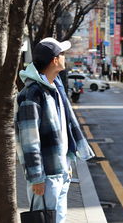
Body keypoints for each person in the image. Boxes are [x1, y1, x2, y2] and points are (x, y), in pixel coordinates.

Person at [15, 37, 94, 223]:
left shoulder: (55, 88)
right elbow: (29, 141)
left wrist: (67, 162)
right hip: (45, 177)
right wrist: (36, 178)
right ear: (54, 60)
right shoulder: (31, 94)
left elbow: (62, 130)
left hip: (60, 172)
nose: (65, 57)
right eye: (62, 54)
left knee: (58, 220)